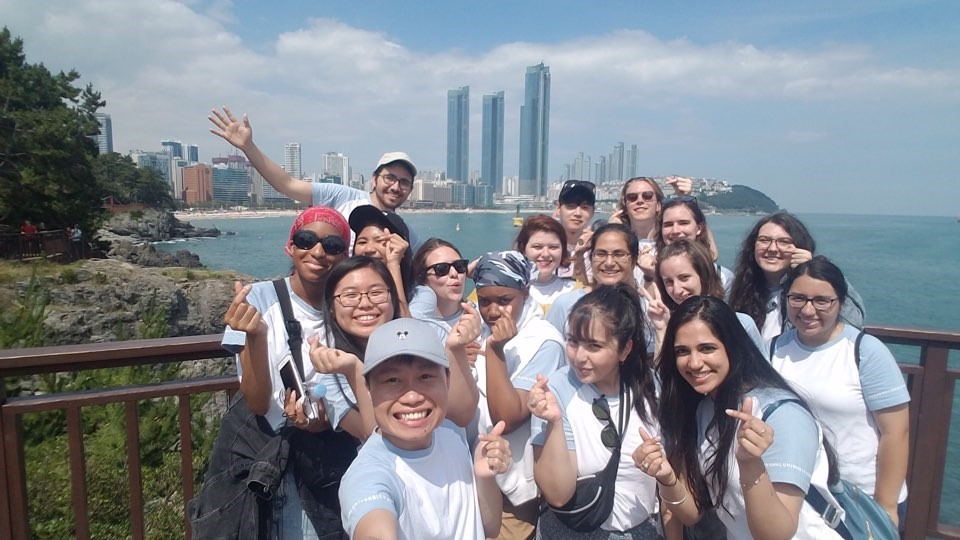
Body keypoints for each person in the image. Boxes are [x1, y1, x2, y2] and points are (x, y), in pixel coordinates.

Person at [638, 296, 843, 539]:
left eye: (707, 348)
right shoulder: (704, 409)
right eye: (682, 351)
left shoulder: (782, 415)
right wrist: (666, 478)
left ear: (732, 347)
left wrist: (750, 464)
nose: (694, 363)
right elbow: (692, 514)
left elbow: (776, 535)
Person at [208, 206, 355, 538]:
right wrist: (256, 336)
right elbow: (258, 402)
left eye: (332, 245)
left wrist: (323, 421)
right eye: (307, 240)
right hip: (272, 452)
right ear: (290, 246)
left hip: (331, 456)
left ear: (344, 254)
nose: (318, 251)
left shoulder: (350, 306)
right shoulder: (255, 300)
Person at [338, 318, 510, 540]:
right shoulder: (368, 475)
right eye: (392, 380)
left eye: (425, 376)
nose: (412, 397)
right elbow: (374, 528)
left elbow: (490, 527)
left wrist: (483, 477)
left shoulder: (451, 434)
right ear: (368, 388)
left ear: (447, 379)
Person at [771, 256, 910, 527]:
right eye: (797, 298)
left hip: (859, 498)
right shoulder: (773, 349)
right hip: (801, 496)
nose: (808, 310)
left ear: (841, 303)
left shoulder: (864, 351)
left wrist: (887, 506)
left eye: (822, 301)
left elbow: (896, 433)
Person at [529, 284, 665, 538]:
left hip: (642, 528)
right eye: (572, 341)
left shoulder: (651, 388)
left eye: (594, 346)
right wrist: (554, 423)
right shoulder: (555, 391)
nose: (579, 357)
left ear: (625, 349)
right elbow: (558, 494)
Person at [310, 256, 480, 440]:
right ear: (332, 308)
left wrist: (455, 351)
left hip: (453, 460)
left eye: (376, 293)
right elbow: (374, 437)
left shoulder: (430, 334)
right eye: (350, 296)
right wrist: (355, 371)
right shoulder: (333, 376)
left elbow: (462, 415)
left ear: (393, 298)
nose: (365, 304)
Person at [208, 106, 422, 251]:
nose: (395, 187)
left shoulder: (406, 232)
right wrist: (248, 147)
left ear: (410, 190)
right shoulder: (342, 197)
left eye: (404, 182)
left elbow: (424, 267)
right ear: (374, 179)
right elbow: (286, 184)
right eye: (390, 178)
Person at [472, 251, 566, 539]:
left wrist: (495, 351)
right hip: (471, 480)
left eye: (504, 301)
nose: (492, 311)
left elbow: (508, 416)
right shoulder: (474, 329)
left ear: (525, 293)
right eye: (484, 300)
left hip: (511, 494)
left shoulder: (545, 341)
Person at [728, 212, 865, 344]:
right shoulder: (741, 290)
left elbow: (853, 322)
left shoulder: (811, 293)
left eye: (784, 242)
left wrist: (817, 270)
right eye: (764, 240)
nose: (772, 248)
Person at [648, 239, 763, 354]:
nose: (677, 290)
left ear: (703, 275)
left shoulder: (741, 324)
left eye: (684, 278)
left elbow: (764, 370)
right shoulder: (667, 326)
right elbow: (663, 371)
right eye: (669, 282)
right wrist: (661, 331)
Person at [655, 196, 733, 296]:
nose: (675, 231)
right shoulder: (652, 271)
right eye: (668, 225)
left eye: (683, 223)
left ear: (699, 228)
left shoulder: (723, 277)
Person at [348, 204, 414, 315]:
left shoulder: (418, 293)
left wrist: (394, 264)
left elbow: (405, 328)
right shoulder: (344, 284)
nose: (369, 249)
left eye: (380, 241)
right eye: (362, 242)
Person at [514, 214, 578, 314]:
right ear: (523, 249)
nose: (545, 254)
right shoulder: (508, 290)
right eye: (537, 247)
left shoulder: (575, 291)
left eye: (553, 247)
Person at [552, 180, 596, 278]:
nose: (577, 213)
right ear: (558, 208)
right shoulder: (544, 246)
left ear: (593, 211)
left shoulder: (597, 249)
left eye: (585, 207)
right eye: (570, 206)